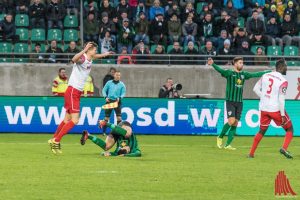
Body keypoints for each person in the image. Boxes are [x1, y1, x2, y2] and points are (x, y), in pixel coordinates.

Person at [47, 42, 113, 154]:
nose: (95, 52)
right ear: (88, 50)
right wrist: (84, 49)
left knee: (66, 120)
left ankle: (53, 139)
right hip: (73, 91)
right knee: (75, 120)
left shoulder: (90, 57)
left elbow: (95, 56)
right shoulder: (82, 57)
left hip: (73, 92)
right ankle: (56, 141)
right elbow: (74, 59)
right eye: (94, 50)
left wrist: (104, 54)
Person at [207, 57, 270, 150]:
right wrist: (213, 64)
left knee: (235, 123)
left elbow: (255, 74)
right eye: (240, 62)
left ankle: (228, 144)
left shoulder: (244, 74)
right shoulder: (229, 73)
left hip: (239, 102)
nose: (242, 64)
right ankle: (220, 137)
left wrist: (267, 72)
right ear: (235, 64)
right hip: (230, 101)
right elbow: (220, 70)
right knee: (231, 121)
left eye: (242, 63)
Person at [249, 59, 294, 159]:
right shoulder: (283, 81)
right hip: (275, 109)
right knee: (290, 128)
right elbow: (281, 99)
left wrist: (264, 98)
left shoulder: (266, 75)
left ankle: (251, 153)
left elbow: (255, 89)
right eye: (286, 66)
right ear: (281, 67)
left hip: (264, 108)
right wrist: (282, 115)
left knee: (261, 130)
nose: (287, 68)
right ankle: (284, 148)